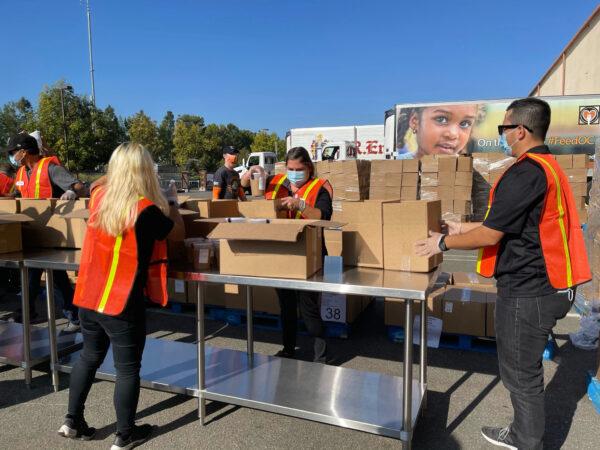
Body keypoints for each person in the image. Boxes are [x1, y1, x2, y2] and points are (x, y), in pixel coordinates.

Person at [415, 98, 591, 450]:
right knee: (522, 371)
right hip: (545, 285)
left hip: (529, 290)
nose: (502, 135)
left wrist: (444, 244)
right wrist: (463, 225)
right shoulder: (545, 167)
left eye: (504, 128)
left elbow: (492, 234)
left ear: (520, 131)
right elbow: (511, 224)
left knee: (521, 375)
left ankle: (527, 443)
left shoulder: (526, 172)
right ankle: (522, 435)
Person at [57, 142, 185, 449]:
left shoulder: (100, 197)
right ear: (144, 172)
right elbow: (177, 232)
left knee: (88, 357)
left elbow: (97, 182)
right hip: (122, 301)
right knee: (128, 369)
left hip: (89, 296)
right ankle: (124, 435)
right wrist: (173, 201)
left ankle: (72, 421)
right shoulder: (146, 210)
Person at [241, 146, 333, 363]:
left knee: (308, 308)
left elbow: (324, 216)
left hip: (310, 253)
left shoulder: (320, 186)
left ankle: (321, 356)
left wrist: (300, 205)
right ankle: (289, 349)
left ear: (308, 168)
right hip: (283, 252)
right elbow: (244, 190)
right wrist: (249, 175)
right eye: (290, 168)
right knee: (286, 306)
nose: (294, 173)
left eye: (298, 169)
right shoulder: (277, 182)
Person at [3, 133, 88, 329]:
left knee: (37, 276)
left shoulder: (50, 168)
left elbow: (79, 186)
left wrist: (71, 192)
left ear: (24, 152)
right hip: (33, 234)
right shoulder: (22, 173)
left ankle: (28, 312)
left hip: (53, 236)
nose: (12, 157)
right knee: (57, 278)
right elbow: (16, 196)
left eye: (14, 152)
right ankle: (74, 316)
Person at [396, 104, 484, 159]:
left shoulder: (468, 172)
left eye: (464, 123)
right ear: (415, 121)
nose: (453, 134)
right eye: (441, 119)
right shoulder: (399, 164)